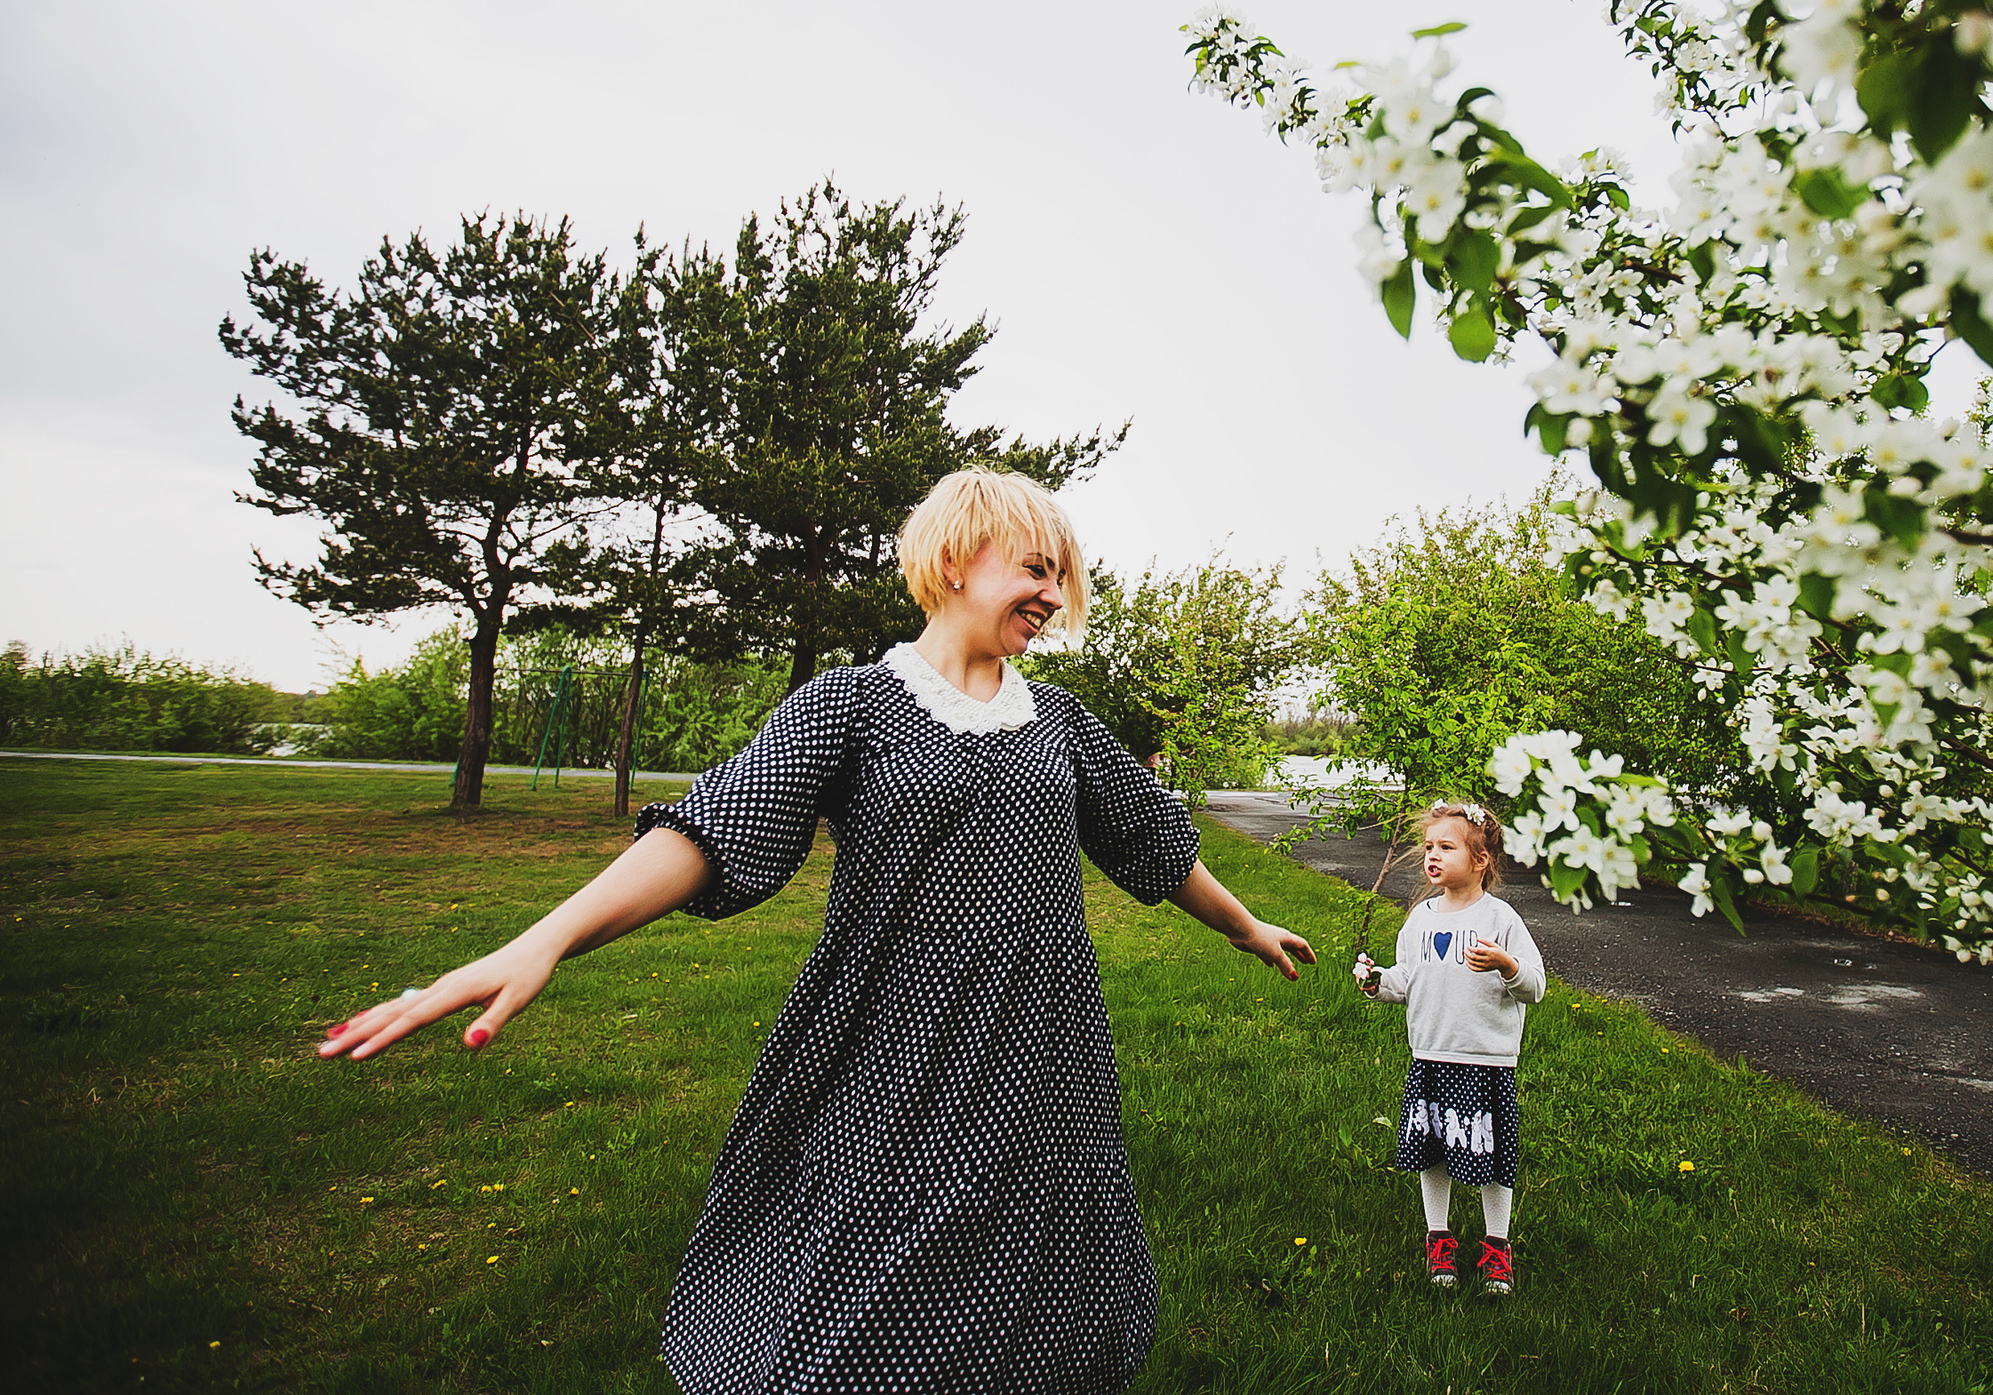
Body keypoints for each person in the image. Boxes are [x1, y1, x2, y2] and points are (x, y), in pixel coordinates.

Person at [317, 467, 1315, 1394]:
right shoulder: (854, 702)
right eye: (1035, 568)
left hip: (1041, 1037)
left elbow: (1148, 839)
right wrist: (544, 938)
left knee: (1033, 1257)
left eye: (1059, 575)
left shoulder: (1059, 718)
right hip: (898, 1034)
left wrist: (1242, 925)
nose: (1052, 594)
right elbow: (714, 829)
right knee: (871, 1256)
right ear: (957, 556)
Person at [1353, 798, 1546, 1296]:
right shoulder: (1420, 919)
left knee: (1493, 1156)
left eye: (1446, 847)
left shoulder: (1500, 919)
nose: (1432, 856)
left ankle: (1496, 1248)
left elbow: (1535, 986)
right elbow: (1406, 981)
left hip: (1484, 1060)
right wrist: (1376, 982)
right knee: (1432, 1152)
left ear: (1480, 860)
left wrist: (1507, 965)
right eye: (1428, 847)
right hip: (1432, 1057)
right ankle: (1438, 1238)